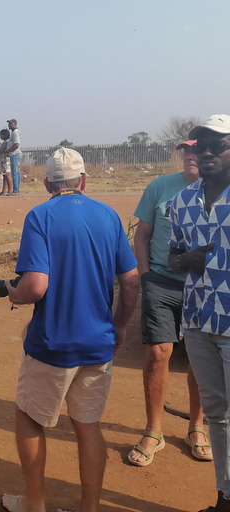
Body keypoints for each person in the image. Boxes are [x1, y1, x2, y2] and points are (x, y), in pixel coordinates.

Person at [0, 148, 139, 512]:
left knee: (29, 418)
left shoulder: (41, 216)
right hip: (97, 343)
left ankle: (35, 504)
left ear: (46, 183)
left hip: (52, 342)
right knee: (88, 426)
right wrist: (120, 326)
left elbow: (35, 287)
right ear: (83, 181)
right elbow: (131, 281)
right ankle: (90, 507)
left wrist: (13, 292)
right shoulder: (108, 215)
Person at [128, 139, 210, 467]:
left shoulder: (221, 190)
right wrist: (146, 275)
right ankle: (154, 430)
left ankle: (197, 427)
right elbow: (142, 235)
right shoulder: (161, 187)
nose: (190, 155)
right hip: (161, 281)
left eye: (197, 149)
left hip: (203, 286)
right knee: (157, 352)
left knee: (200, 357)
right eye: (185, 150)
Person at [168, 114, 230, 512]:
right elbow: (172, 255)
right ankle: (225, 496)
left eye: (216, 145)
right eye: (198, 146)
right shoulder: (182, 201)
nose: (205, 152)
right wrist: (183, 261)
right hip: (198, 320)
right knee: (217, 415)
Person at [7, 119, 22, 195]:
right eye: (9, 124)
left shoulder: (15, 132)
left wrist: (8, 151)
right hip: (15, 154)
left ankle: (16, 190)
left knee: (15, 173)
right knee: (16, 173)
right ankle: (16, 189)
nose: (9, 125)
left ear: (15, 124)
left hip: (15, 154)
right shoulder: (13, 132)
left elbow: (16, 145)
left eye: (11, 124)